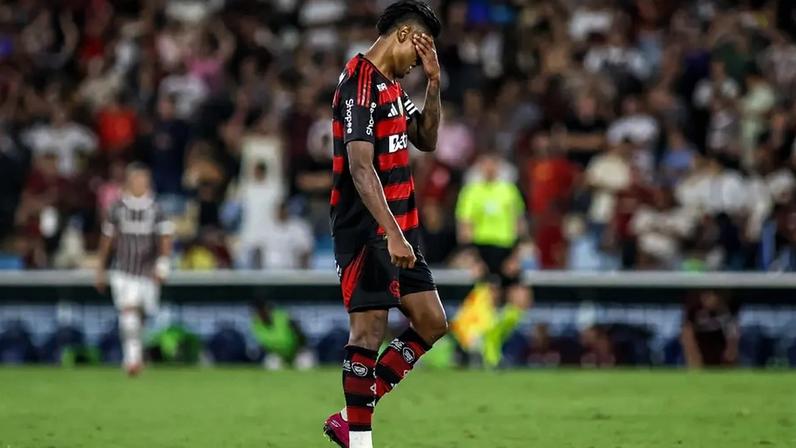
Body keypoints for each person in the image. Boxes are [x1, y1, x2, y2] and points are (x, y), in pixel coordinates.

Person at [323, 2, 446, 447]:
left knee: (432, 322)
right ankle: (360, 441)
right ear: (405, 35)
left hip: (400, 230)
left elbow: (426, 139)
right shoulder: (359, 82)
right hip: (368, 230)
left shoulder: (393, 86)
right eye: (421, 49)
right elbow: (359, 167)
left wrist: (433, 82)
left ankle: (349, 415)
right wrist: (391, 231)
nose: (420, 58)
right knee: (368, 332)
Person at [95, 163, 174, 376]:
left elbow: (165, 237)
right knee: (128, 311)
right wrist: (100, 268)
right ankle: (132, 360)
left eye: (144, 180)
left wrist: (163, 264)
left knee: (143, 315)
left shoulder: (156, 209)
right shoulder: (117, 208)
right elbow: (107, 239)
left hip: (147, 271)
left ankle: (137, 354)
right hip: (123, 270)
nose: (141, 183)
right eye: (138, 179)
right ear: (129, 182)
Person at [455, 152, 531, 367]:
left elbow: (520, 223)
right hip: (483, 250)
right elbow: (465, 226)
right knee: (489, 298)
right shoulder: (472, 192)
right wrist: (473, 259)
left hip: (507, 249)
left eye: (493, 164)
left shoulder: (509, 190)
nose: (489, 169)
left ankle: (493, 337)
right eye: (485, 164)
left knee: (522, 299)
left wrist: (517, 255)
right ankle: (488, 350)